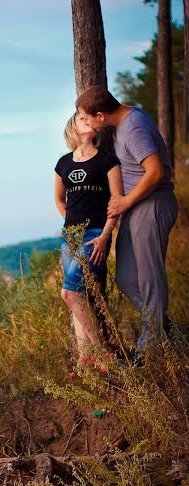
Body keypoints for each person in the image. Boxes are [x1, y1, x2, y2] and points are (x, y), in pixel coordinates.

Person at [76, 86, 178, 353]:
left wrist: (125, 202)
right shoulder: (123, 124)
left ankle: (152, 351)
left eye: (88, 118)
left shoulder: (133, 128)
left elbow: (155, 172)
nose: (86, 123)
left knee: (149, 279)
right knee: (127, 278)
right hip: (136, 208)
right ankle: (168, 334)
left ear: (101, 115)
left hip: (152, 205)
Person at [54, 112, 123, 366]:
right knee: (78, 296)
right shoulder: (63, 163)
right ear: (73, 126)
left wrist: (106, 235)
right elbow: (60, 200)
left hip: (95, 236)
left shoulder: (108, 161)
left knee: (69, 293)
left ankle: (103, 353)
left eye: (89, 118)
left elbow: (116, 203)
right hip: (69, 238)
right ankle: (86, 358)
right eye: (80, 118)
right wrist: (69, 222)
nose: (86, 120)